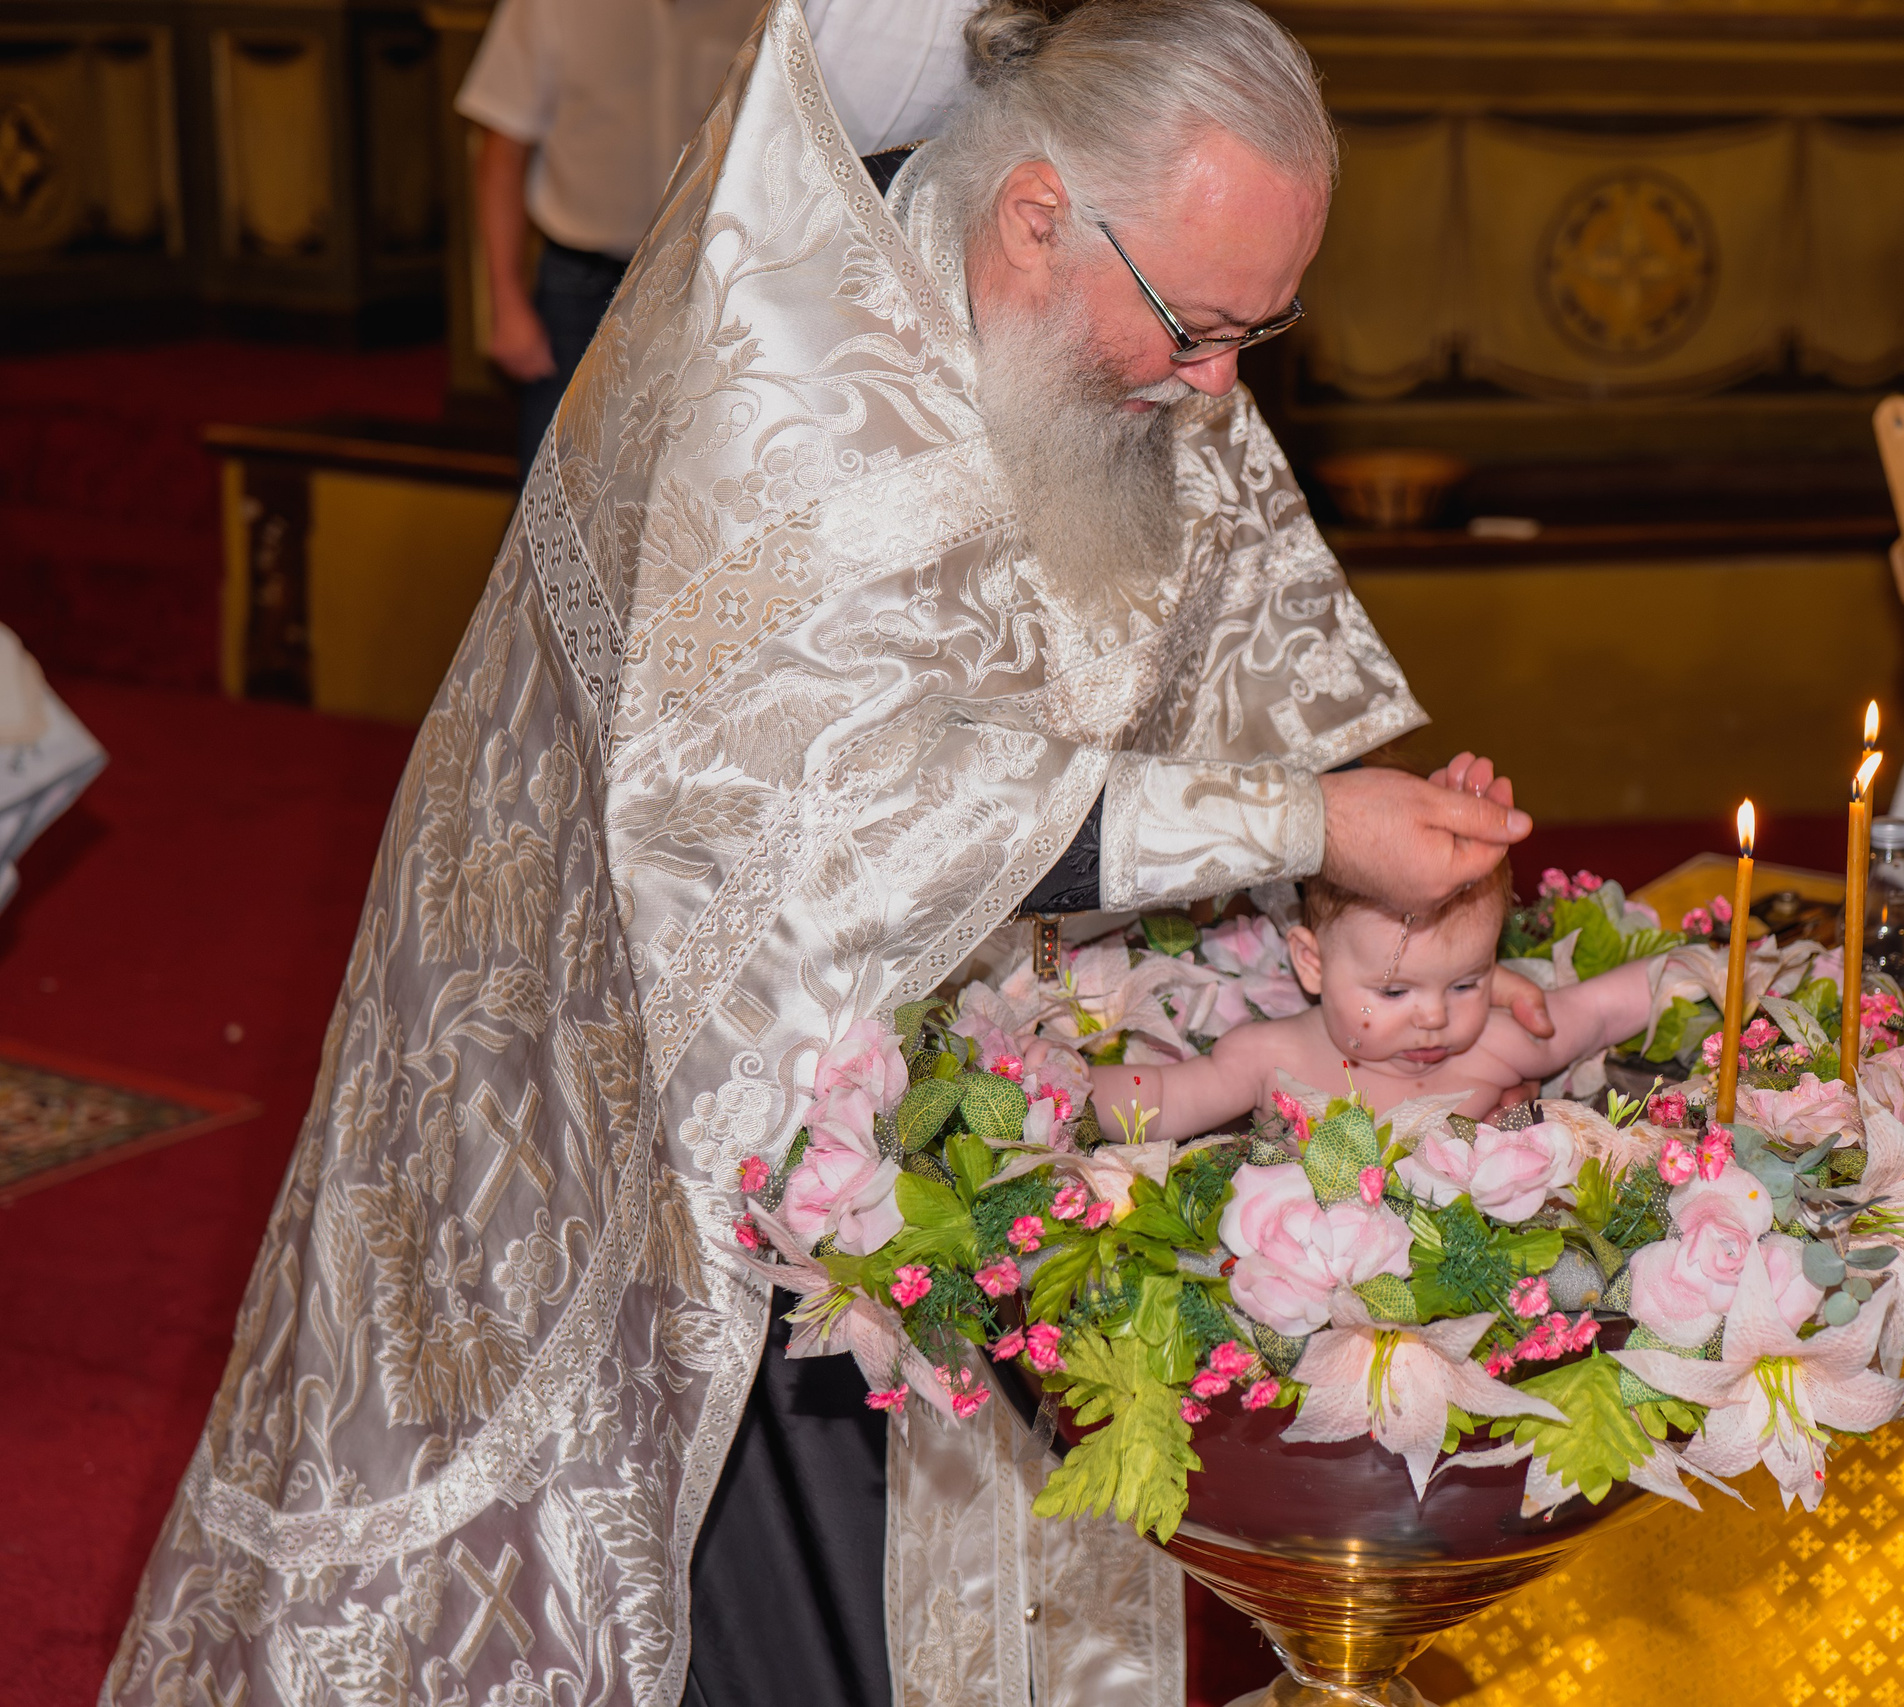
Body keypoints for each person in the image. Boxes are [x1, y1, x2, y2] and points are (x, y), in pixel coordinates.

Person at [106, 6, 1544, 1707]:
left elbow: (1249, 664)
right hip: (681, 1105)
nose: (1222, 383)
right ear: (1031, 214)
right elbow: (830, 826)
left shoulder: (1147, 331)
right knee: (765, 1611)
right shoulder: (800, 396)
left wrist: (1376, 839)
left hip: (974, 1074)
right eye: (1200, 324)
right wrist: (1305, 827)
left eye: (1260, 328)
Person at [459, 0, 981, 474]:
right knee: (553, 476)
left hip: (721, 285)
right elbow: (502, 149)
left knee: (693, 479)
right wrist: (504, 301)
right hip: (581, 286)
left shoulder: (792, 7)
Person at [1087, 861, 1672, 1138]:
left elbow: (1597, 1010)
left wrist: (1709, 971)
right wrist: (1059, 1091)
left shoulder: (1495, 1045)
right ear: (1312, 964)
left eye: (1467, 983)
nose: (1436, 1017)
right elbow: (1162, 1098)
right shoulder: (1269, 1058)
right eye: (1394, 991)